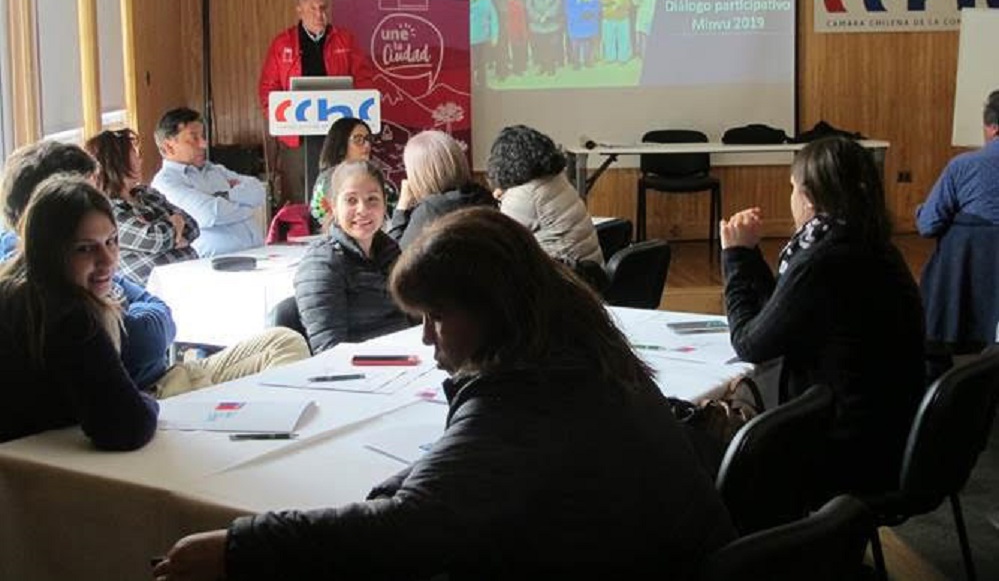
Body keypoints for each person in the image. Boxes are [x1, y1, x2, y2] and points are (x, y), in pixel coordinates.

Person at [153, 208, 735, 581]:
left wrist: (241, 546)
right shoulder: (583, 356)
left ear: (492, 310)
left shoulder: (525, 399)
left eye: (436, 316)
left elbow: (408, 531)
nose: (427, 337)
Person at [721, 136, 925, 499]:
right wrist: (748, 255)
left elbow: (749, 344)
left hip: (842, 449)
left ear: (809, 198)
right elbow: (784, 312)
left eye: (792, 188)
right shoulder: (874, 246)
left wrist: (735, 257)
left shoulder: (822, 261)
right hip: (891, 436)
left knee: (714, 439)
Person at [1, 140, 177, 391]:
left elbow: (158, 309)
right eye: (83, 195)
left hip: (163, 377)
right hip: (148, 392)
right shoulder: (40, 278)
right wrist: (142, 315)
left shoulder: (87, 254)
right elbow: (142, 341)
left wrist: (144, 314)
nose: (97, 204)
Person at [0, 176, 159, 449]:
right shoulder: (66, 315)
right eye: (85, 249)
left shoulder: (14, 293)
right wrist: (149, 400)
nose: (108, 260)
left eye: (111, 241)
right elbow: (127, 428)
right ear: (50, 252)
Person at [258, 0, 372, 204]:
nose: (320, 14)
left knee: (342, 188)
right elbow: (267, 88)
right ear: (299, 10)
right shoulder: (282, 44)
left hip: (338, 132)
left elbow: (364, 80)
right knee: (299, 193)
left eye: (323, 8)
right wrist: (278, 120)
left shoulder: (345, 40)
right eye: (313, 9)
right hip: (296, 135)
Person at [293, 160, 411, 353]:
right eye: (351, 200)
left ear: (384, 204)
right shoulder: (321, 264)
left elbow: (415, 318)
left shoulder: (391, 252)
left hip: (407, 357)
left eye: (372, 199)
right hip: (358, 367)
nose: (363, 209)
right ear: (333, 207)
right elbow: (330, 351)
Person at [85, 128, 199, 286]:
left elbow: (193, 227)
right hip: (158, 291)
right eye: (135, 154)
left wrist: (172, 232)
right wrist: (175, 225)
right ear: (118, 162)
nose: (140, 160)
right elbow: (156, 239)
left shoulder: (148, 194)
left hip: (193, 276)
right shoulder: (104, 211)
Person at [150, 107, 266, 257]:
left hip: (258, 255)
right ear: (169, 146)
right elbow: (211, 214)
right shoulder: (165, 183)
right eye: (194, 138)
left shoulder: (214, 170)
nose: (204, 144)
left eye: (202, 136)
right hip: (214, 264)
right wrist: (248, 206)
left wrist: (224, 196)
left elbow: (259, 191)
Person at [486, 124, 604, 268]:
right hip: (589, 273)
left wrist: (505, 199)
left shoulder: (524, 195)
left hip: (563, 277)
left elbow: (502, 247)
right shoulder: (557, 178)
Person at [387, 129, 495, 249]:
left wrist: (402, 207)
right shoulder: (484, 196)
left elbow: (397, 254)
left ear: (421, 175)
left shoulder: (430, 210)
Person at [916, 89, 999, 237]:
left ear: (994, 129)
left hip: (974, 251)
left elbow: (928, 225)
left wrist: (921, 211)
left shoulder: (962, 166)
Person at [309, 116, 395, 228]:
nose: (367, 145)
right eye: (358, 140)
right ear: (341, 143)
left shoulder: (371, 174)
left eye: (368, 139)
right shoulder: (330, 178)